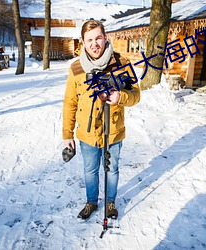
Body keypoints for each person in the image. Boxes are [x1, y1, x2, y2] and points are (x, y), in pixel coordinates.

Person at [62, 20, 140, 220]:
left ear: (105, 38)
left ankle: (111, 202)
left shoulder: (122, 63)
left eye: (98, 38)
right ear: (83, 42)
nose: (94, 43)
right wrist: (67, 134)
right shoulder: (76, 68)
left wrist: (120, 97)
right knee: (90, 170)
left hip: (113, 130)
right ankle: (91, 202)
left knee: (112, 168)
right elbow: (70, 102)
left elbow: (136, 95)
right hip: (87, 133)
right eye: (89, 40)